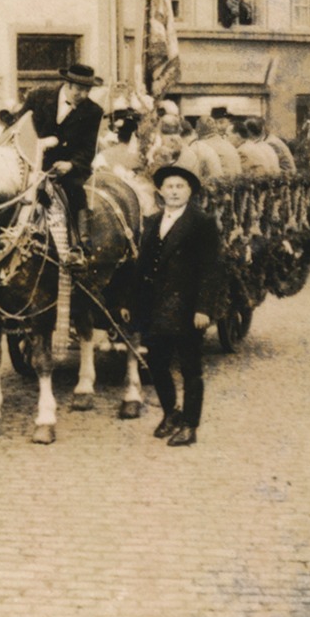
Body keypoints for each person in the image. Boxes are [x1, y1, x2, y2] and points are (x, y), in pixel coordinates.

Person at [132, 165, 221, 448]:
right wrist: (129, 302)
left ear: (190, 192)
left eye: (179, 187)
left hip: (187, 308)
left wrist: (204, 308)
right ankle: (171, 413)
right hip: (155, 306)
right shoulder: (152, 221)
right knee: (156, 364)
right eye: (169, 187)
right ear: (160, 191)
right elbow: (141, 266)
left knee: (190, 367)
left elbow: (211, 269)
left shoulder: (202, 222)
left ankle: (190, 426)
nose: (173, 191)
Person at [13, 63, 104, 264]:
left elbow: (89, 148)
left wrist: (71, 164)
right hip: (29, 161)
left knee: (75, 189)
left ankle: (80, 244)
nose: (83, 94)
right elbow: (18, 127)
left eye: (87, 90)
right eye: (79, 89)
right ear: (68, 84)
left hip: (65, 168)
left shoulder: (93, 111)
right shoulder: (39, 96)